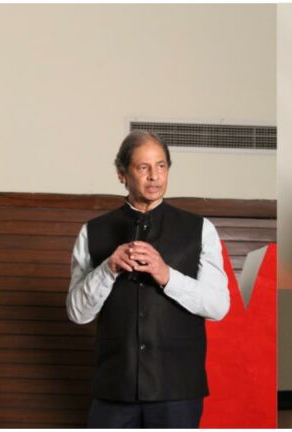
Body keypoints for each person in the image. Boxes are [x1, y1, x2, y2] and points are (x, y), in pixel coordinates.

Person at [66, 130, 230, 428]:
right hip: (114, 388)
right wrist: (108, 269)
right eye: (143, 167)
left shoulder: (200, 228)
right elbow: (77, 313)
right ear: (121, 174)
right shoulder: (92, 231)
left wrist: (166, 275)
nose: (154, 176)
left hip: (178, 391)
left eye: (161, 166)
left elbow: (218, 306)